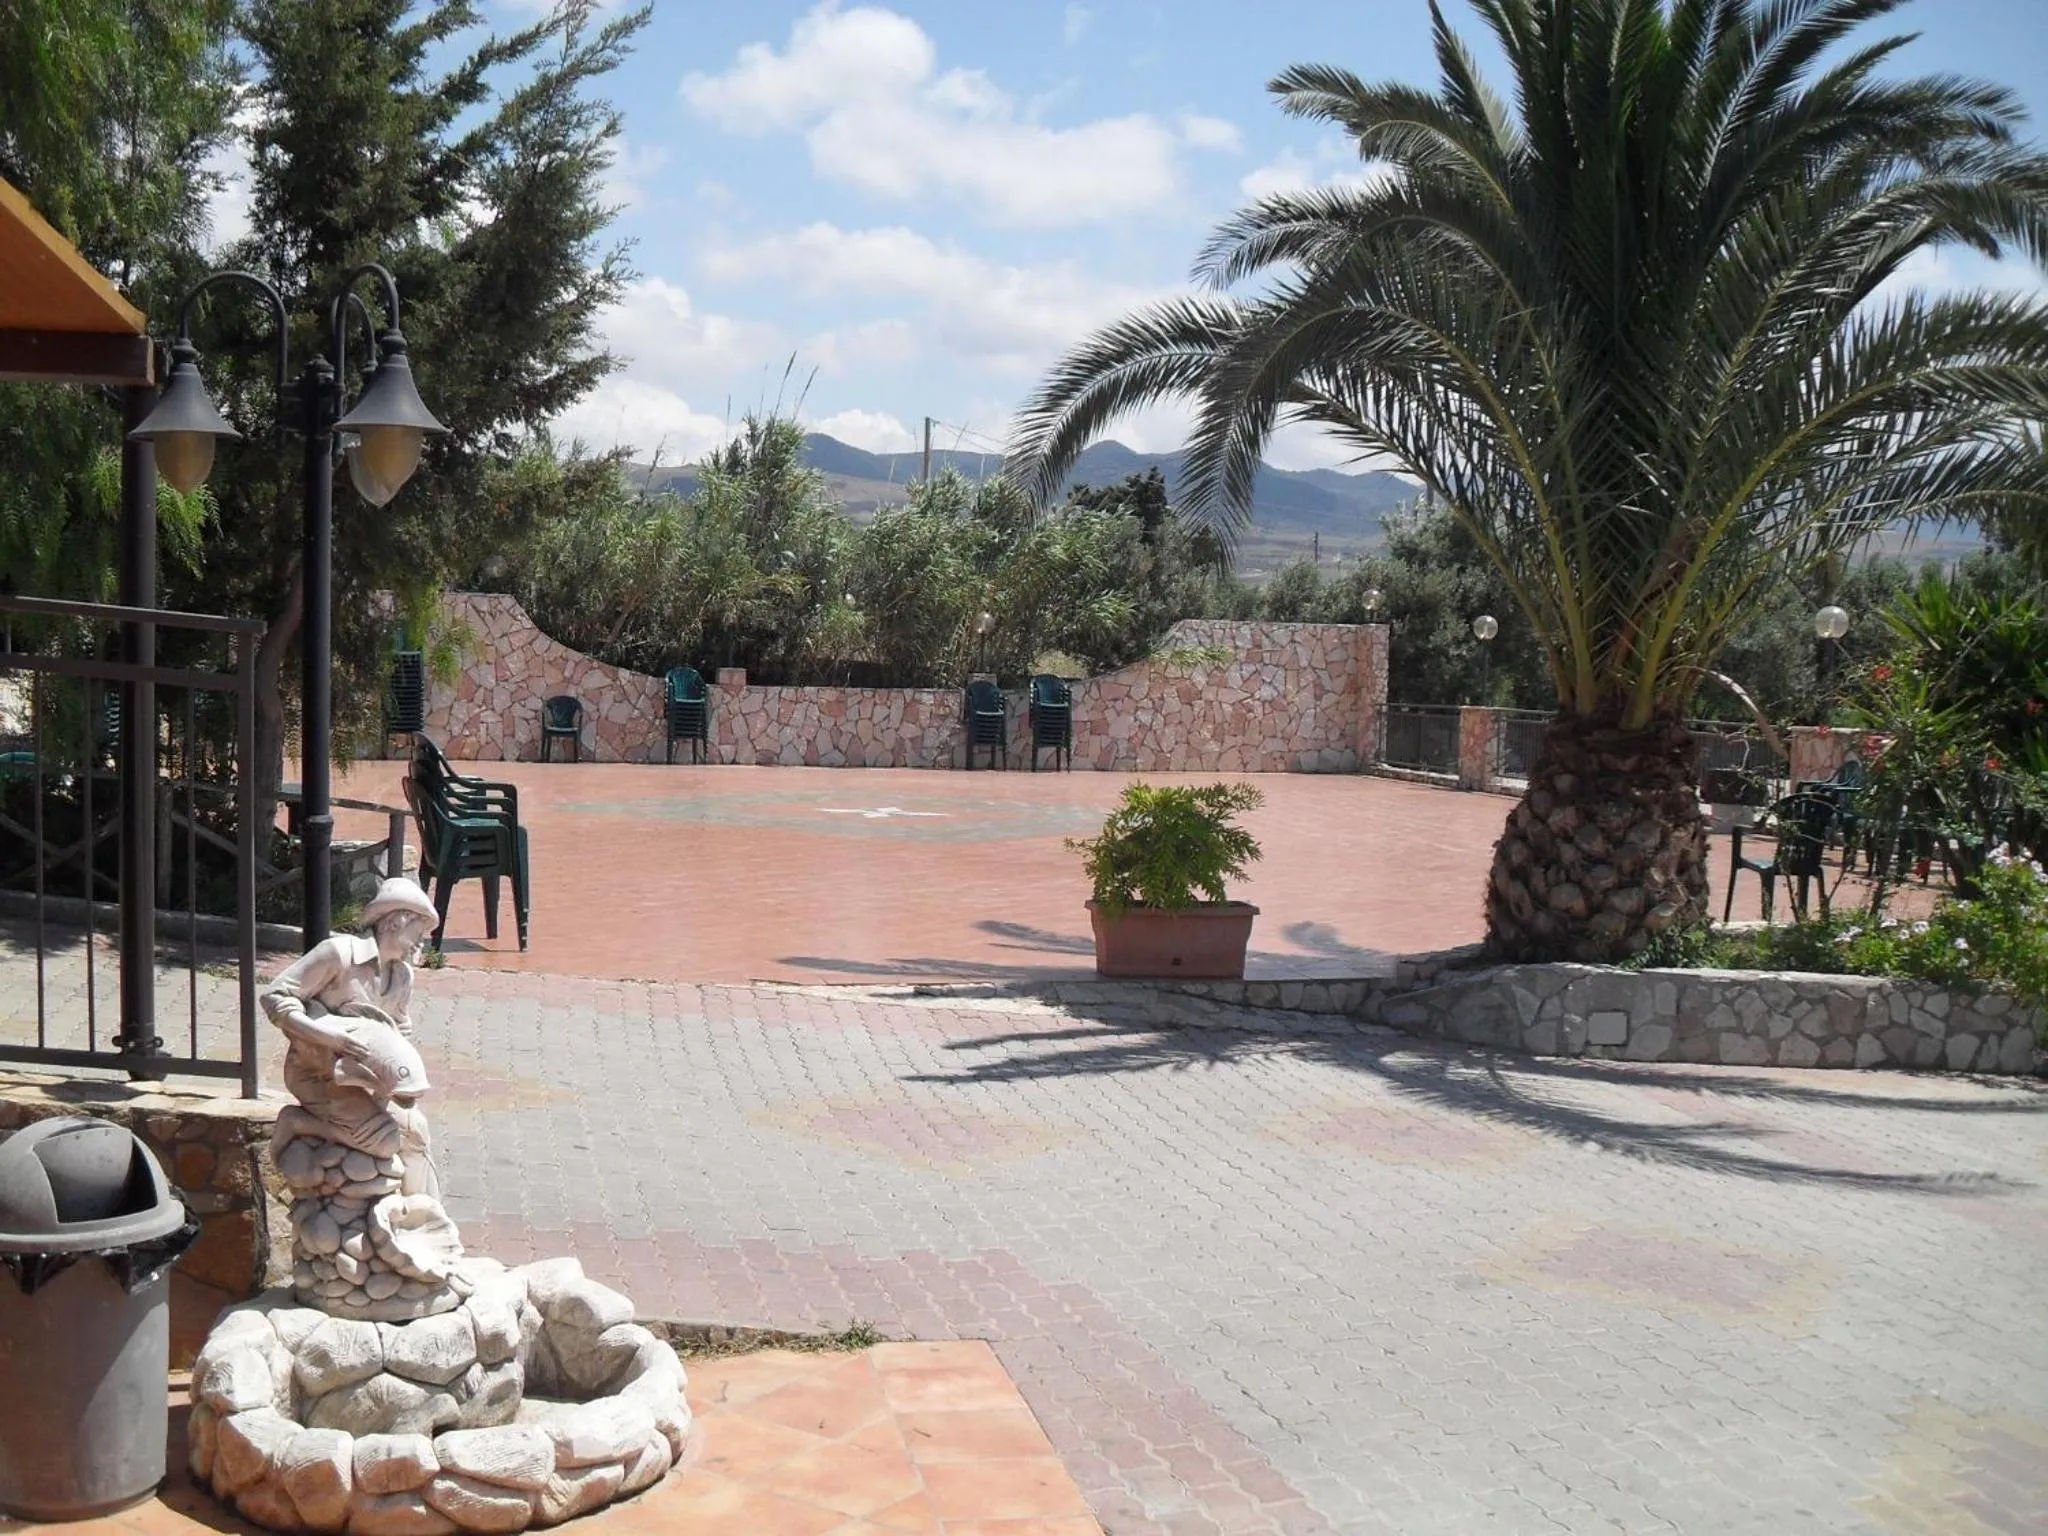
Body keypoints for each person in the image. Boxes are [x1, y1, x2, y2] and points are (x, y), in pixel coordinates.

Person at [263, 877, 443, 1198]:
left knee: (418, 1131)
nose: (420, 944)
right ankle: (298, 1122)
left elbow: (399, 1029)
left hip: (370, 1082)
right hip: (317, 1075)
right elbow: (275, 996)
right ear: (393, 923)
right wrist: (327, 1036)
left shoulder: (402, 976)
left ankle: (420, 1215)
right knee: (385, 1141)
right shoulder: (339, 954)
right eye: (417, 933)